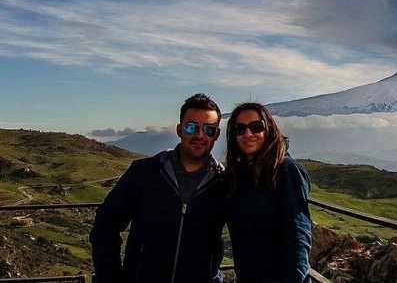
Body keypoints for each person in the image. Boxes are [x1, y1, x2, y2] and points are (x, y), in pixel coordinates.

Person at [90, 93, 226, 283]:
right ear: (179, 130)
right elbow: (105, 224)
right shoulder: (144, 172)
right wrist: (111, 277)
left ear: (217, 135)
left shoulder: (224, 183)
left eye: (208, 129)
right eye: (191, 127)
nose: (199, 135)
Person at [225, 102, 312, 283]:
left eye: (256, 127)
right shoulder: (237, 176)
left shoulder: (286, 171)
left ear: (269, 129)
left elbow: (298, 236)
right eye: (239, 129)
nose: (248, 134)